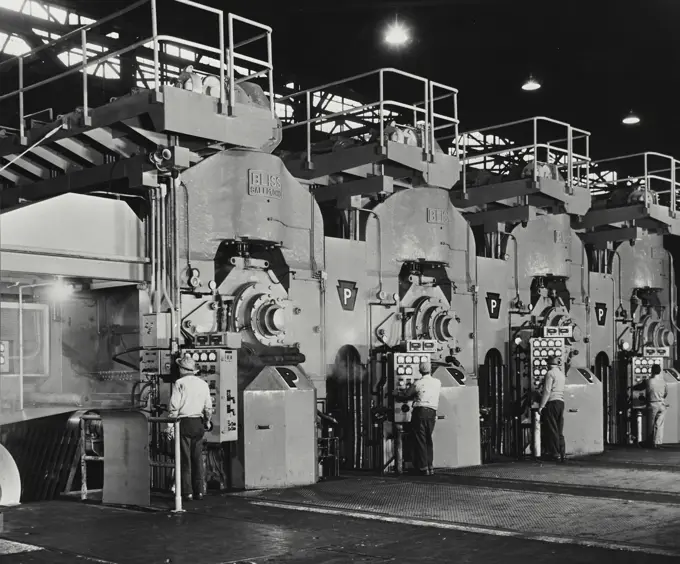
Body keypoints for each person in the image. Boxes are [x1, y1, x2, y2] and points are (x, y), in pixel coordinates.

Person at [167, 354, 213, 500]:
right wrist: (207, 422)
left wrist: (170, 426)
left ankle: (187, 492)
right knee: (197, 458)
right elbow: (208, 408)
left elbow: (174, 407)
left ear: (182, 369)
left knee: (185, 459)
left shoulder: (179, 383)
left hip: (184, 423)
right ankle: (199, 491)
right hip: (198, 423)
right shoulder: (203, 384)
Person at [394, 360, 442, 476]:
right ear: (430, 370)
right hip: (432, 413)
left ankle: (423, 467)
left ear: (420, 371)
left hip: (420, 413)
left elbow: (406, 395)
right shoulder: (437, 382)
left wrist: (395, 393)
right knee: (428, 439)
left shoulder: (418, 383)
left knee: (420, 440)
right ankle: (430, 467)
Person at [538, 356, 566, 462]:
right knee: (559, 429)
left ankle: (555, 454)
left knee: (552, 429)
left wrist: (541, 406)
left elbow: (547, 391)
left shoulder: (550, 374)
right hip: (560, 402)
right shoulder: (561, 374)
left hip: (552, 402)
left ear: (548, 364)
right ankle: (562, 453)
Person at [645, 363, 668, 449]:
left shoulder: (649, 381)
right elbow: (666, 393)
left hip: (652, 404)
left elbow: (645, 392)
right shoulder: (663, 382)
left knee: (651, 424)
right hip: (662, 404)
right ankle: (658, 442)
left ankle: (650, 443)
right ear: (660, 371)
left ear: (652, 371)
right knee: (659, 425)